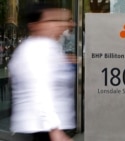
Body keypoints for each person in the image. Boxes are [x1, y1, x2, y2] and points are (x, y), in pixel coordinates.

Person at [8, 2, 75, 141]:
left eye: (60, 20)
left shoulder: (49, 46)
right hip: (42, 127)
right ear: (34, 26)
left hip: (48, 125)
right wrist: (55, 130)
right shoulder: (34, 51)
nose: (61, 25)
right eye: (52, 20)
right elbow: (40, 91)